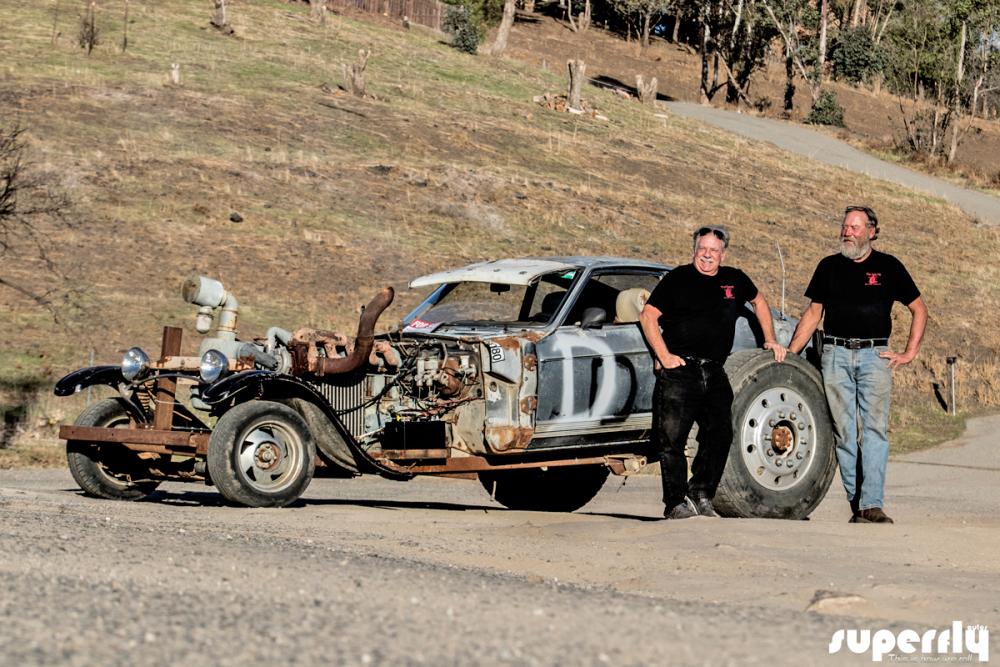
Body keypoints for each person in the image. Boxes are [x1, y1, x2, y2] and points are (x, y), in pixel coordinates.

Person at [788, 206, 927, 524]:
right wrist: (791, 356)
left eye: (854, 227)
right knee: (844, 433)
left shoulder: (889, 267)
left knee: (875, 431)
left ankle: (873, 503)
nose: (847, 232)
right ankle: (858, 505)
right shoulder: (828, 267)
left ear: (872, 231)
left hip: (875, 357)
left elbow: (919, 309)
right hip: (834, 355)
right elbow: (813, 315)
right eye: (845, 226)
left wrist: (908, 353)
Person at [640, 226, 787, 520]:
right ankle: (675, 503)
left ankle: (702, 493)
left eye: (713, 250)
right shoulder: (678, 278)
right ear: (695, 250)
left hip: (714, 369)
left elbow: (758, 301)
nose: (707, 255)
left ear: (723, 253)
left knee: (721, 434)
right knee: (672, 439)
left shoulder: (735, 279)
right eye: (702, 249)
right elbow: (648, 315)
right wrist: (664, 355)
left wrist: (769, 337)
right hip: (681, 369)